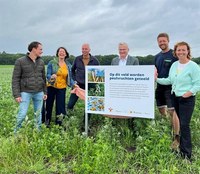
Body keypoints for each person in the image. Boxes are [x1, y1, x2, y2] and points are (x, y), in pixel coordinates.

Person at [155, 41, 200, 161]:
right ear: (175, 52)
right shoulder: (175, 65)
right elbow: (169, 80)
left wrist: (188, 93)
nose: (181, 52)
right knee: (180, 123)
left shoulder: (193, 66)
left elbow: (198, 84)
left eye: (183, 50)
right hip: (175, 97)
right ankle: (181, 149)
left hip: (187, 99)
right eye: (178, 50)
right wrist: (156, 79)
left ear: (188, 51)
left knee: (185, 125)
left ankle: (186, 155)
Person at [12, 41, 47, 132]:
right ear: (33, 49)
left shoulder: (41, 62)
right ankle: (16, 133)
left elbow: (43, 78)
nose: (42, 51)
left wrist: (45, 91)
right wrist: (17, 94)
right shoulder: (20, 61)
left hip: (39, 92)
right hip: (25, 92)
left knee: (38, 114)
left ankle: (37, 132)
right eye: (40, 49)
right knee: (22, 114)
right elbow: (15, 79)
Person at [154, 33, 180, 149]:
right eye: (160, 41)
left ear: (168, 41)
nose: (162, 43)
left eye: (164, 41)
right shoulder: (157, 56)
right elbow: (155, 72)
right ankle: (167, 126)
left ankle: (176, 137)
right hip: (159, 86)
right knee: (161, 109)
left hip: (170, 87)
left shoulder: (174, 55)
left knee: (172, 111)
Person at [111, 42, 139, 134]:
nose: (122, 51)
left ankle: (131, 128)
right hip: (117, 88)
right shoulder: (114, 60)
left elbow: (137, 74)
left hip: (129, 89)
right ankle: (116, 127)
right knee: (117, 107)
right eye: (120, 50)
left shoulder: (134, 60)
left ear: (128, 50)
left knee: (130, 107)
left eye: (124, 49)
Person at [45, 47, 74, 126]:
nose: (61, 53)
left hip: (62, 88)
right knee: (48, 105)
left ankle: (59, 123)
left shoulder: (68, 65)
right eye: (60, 51)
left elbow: (70, 78)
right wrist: (51, 76)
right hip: (51, 86)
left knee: (60, 106)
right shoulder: (52, 62)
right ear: (57, 53)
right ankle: (47, 121)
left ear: (65, 54)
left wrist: (74, 85)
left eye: (63, 52)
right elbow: (47, 74)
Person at [67, 43, 99, 110]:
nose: (84, 50)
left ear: (89, 50)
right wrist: (74, 80)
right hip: (78, 85)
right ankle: (69, 117)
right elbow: (72, 71)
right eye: (83, 49)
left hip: (90, 86)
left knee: (90, 106)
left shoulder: (95, 61)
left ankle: (86, 120)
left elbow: (98, 74)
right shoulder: (77, 59)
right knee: (70, 104)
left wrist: (94, 84)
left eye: (86, 49)